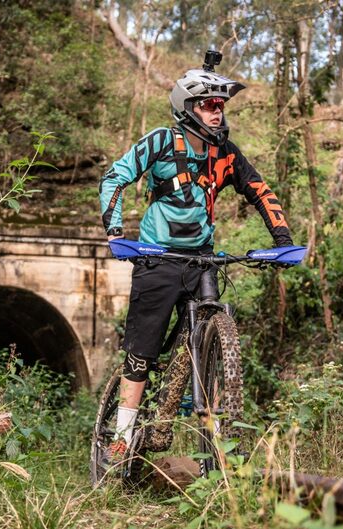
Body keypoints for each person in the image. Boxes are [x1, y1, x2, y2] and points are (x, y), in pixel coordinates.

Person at [98, 52, 294, 459]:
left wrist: (282, 240)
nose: (217, 113)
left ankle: (213, 426)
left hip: (202, 258)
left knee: (210, 323)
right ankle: (121, 434)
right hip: (156, 256)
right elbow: (115, 177)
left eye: (221, 106)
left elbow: (259, 191)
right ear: (188, 107)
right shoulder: (161, 141)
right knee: (143, 349)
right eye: (209, 105)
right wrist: (115, 231)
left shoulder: (226, 154)